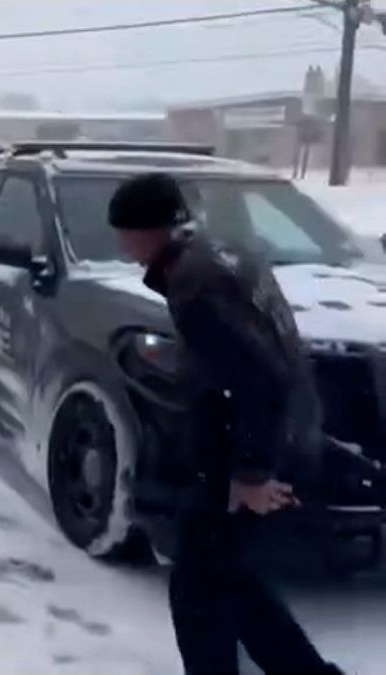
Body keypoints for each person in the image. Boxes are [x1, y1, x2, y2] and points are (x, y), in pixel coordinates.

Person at [107, 173, 342, 675]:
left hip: (250, 447)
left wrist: (252, 475)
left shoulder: (194, 287)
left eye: (124, 232)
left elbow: (262, 378)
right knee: (225, 579)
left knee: (197, 587)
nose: (120, 243)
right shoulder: (218, 251)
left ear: (150, 231)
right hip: (277, 433)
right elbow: (252, 351)